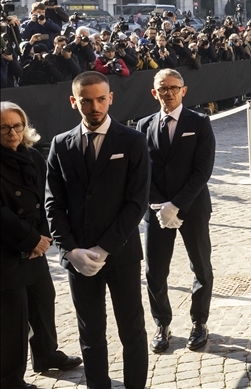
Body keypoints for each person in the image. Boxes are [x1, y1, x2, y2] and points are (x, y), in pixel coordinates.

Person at [45, 71, 150, 389]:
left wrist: (104, 248)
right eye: (87, 100)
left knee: (131, 329)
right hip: (78, 258)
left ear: (111, 98)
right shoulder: (61, 144)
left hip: (121, 254)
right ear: (74, 101)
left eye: (101, 99)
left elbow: (136, 203)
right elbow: (53, 204)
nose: (95, 106)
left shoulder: (132, 141)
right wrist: (70, 250)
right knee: (89, 332)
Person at [1, 102, 81, 389]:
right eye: (5, 127)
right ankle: (10, 379)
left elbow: (47, 199)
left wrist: (44, 239)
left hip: (36, 246)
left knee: (44, 300)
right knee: (13, 319)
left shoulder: (33, 156)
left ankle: (46, 355)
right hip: (7, 252)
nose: (13, 132)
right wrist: (31, 239)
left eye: (17, 125)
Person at [136, 69, 216, 355]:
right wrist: (160, 205)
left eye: (173, 87)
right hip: (156, 211)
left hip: (192, 208)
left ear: (184, 90)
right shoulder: (143, 125)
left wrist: (177, 205)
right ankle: (162, 323)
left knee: (201, 268)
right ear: (153, 92)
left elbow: (202, 170)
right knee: (155, 271)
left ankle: (199, 322)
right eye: (162, 88)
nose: (168, 92)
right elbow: (141, 172)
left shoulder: (199, 122)